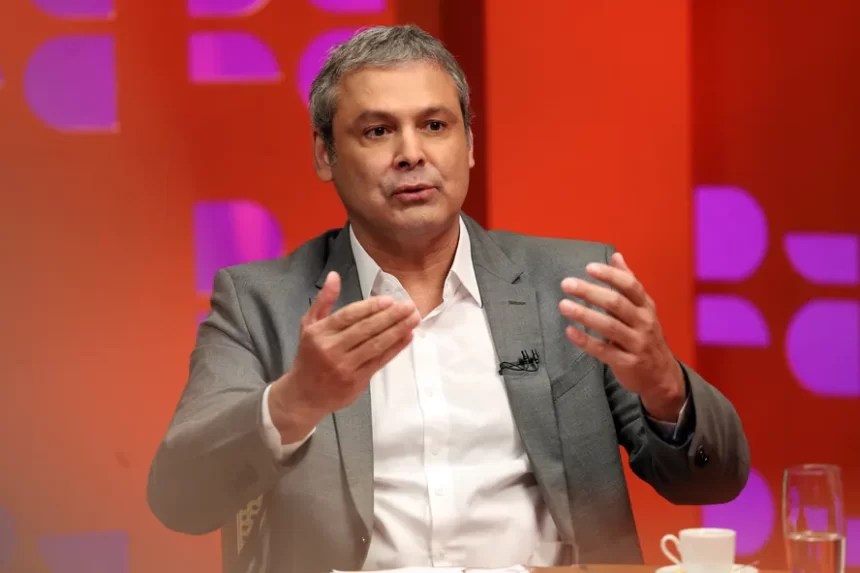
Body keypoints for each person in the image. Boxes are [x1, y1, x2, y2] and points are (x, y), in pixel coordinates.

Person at [147, 24, 749, 573]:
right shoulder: (260, 303)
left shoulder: (571, 283)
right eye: (378, 131)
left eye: (435, 125)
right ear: (325, 154)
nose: (412, 153)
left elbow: (714, 481)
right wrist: (296, 401)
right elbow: (180, 498)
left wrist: (664, 384)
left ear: (469, 145)